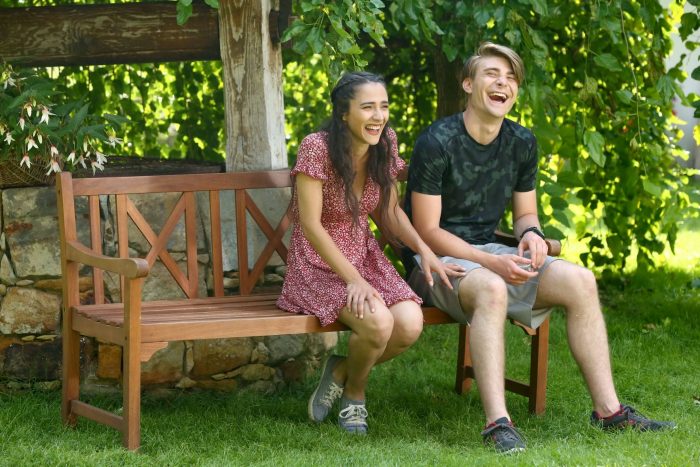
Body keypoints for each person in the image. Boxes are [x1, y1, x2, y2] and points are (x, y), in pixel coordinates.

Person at [404, 42, 676, 453]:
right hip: (435, 262)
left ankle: (610, 413)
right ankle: (498, 424)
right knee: (492, 288)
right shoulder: (437, 140)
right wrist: (491, 263)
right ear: (468, 84)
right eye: (492, 74)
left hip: (489, 252)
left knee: (580, 280)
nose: (503, 83)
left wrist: (531, 234)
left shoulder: (521, 142)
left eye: (511, 78)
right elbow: (426, 230)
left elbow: (526, 215)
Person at [277, 71, 464, 435]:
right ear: (343, 113)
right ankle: (355, 395)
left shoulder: (385, 142)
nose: (378, 116)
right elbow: (311, 226)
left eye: (384, 106)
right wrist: (354, 280)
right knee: (378, 323)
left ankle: (341, 371)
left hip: (364, 257)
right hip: (317, 263)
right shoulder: (316, 148)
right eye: (368, 107)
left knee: (409, 323)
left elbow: (391, 212)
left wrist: (425, 251)